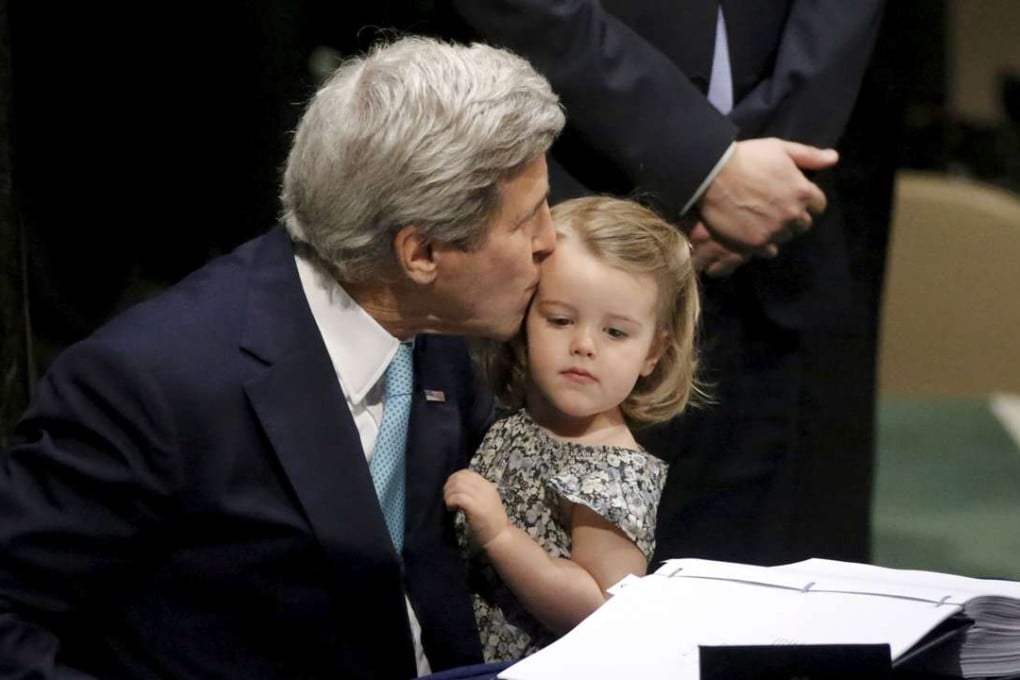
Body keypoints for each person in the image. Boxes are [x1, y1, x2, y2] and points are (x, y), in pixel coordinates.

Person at [0, 36, 564, 679]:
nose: (551, 241)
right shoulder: (147, 386)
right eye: (527, 223)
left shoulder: (437, 327)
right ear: (422, 254)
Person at [413, 1, 885, 565]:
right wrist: (705, 160)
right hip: (571, 180)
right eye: (566, 326)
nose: (586, 343)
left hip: (784, 228)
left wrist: (759, 171)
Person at [444, 196, 701, 661]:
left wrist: (502, 537)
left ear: (654, 352)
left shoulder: (613, 474)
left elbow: (601, 608)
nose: (583, 345)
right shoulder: (513, 418)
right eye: (561, 320)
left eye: (616, 333)